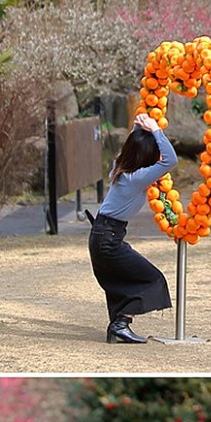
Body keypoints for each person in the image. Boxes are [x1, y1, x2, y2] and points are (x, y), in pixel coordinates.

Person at [88, 112, 177, 344]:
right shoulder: (137, 178)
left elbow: (130, 148)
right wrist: (156, 130)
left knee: (123, 281)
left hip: (102, 235)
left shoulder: (120, 167)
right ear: (147, 156)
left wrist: (137, 128)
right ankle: (120, 325)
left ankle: (118, 328)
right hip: (108, 238)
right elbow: (170, 160)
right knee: (154, 279)